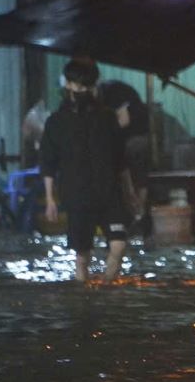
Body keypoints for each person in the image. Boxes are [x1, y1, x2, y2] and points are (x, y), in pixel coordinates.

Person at [40, 59, 138, 282]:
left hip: (108, 191)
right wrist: (50, 199)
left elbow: (120, 159)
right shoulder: (57, 122)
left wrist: (129, 191)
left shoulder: (106, 118)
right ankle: (83, 300)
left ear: (93, 86)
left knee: (119, 245)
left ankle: (105, 287)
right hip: (77, 194)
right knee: (82, 256)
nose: (79, 90)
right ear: (68, 85)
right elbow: (48, 162)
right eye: (75, 85)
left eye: (84, 86)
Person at [98, 80, 151, 234]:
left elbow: (123, 120)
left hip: (134, 138)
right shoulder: (114, 91)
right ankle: (138, 213)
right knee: (138, 177)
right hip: (137, 138)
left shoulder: (113, 93)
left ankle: (137, 212)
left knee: (134, 175)